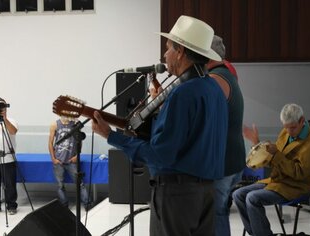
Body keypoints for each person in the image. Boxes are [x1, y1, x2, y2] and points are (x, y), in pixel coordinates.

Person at [92, 15, 228, 236]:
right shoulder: (214, 90)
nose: (165, 55)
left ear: (181, 51)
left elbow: (160, 155)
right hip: (207, 193)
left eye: (168, 48)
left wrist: (111, 136)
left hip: (177, 195)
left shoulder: (181, 94)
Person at [232, 103, 310, 236]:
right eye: (285, 127)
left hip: (296, 186)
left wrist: (277, 155)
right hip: (278, 181)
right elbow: (272, 159)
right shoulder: (286, 132)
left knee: (253, 198)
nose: (288, 131)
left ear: (302, 121)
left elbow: (298, 174)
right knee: (238, 195)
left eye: (292, 127)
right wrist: (257, 144)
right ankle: (259, 233)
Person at [206, 35, 245, 236]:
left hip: (223, 162)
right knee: (218, 212)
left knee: (216, 213)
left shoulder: (214, 79)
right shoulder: (228, 72)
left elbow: (205, 121)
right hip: (233, 160)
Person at [48, 116, 89, 208]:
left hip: (71, 160)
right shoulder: (55, 124)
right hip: (59, 160)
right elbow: (50, 142)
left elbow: (80, 140)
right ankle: (64, 205)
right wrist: (53, 158)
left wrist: (77, 155)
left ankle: (87, 204)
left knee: (80, 183)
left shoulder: (75, 123)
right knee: (60, 185)